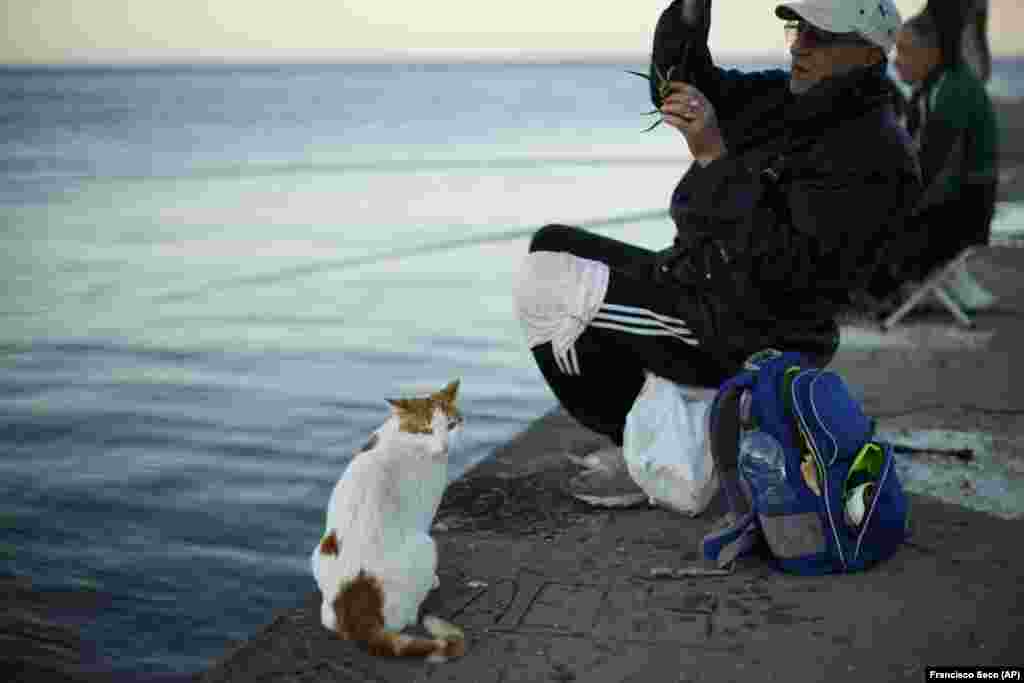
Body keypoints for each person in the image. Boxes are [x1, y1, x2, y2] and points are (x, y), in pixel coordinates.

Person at [514, 0, 920, 469]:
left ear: (871, 55)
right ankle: (672, 425)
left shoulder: (876, 155)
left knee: (545, 289)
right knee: (551, 244)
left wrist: (713, 158)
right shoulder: (798, 97)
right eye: (797, 29)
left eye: (821, 36)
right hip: (709, 281)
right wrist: (690, 11)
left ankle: (652, 459)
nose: (800, 46)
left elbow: (788, 269)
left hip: (750, 330)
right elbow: (683, 85)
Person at [866, 8, 999, 307]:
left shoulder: (952, 90)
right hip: (954, 205)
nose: (897, 61)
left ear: (932, 54)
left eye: (906, 51)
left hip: (963, 216)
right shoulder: (934, 87)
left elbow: (928, 168)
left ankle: (882, 291)